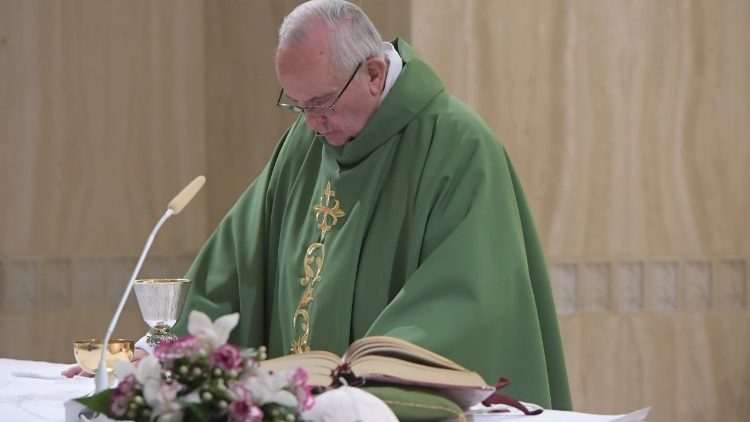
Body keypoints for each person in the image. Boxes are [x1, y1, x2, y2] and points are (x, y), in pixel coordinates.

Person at [66, 0, 572, 410]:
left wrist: (361, 384)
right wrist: (164, 355)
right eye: (295, 104)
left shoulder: (457, 146)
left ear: (374, 73)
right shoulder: (303, 145)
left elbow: (470, 296)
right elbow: (235, 264)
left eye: (321, 103)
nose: (310, 122)